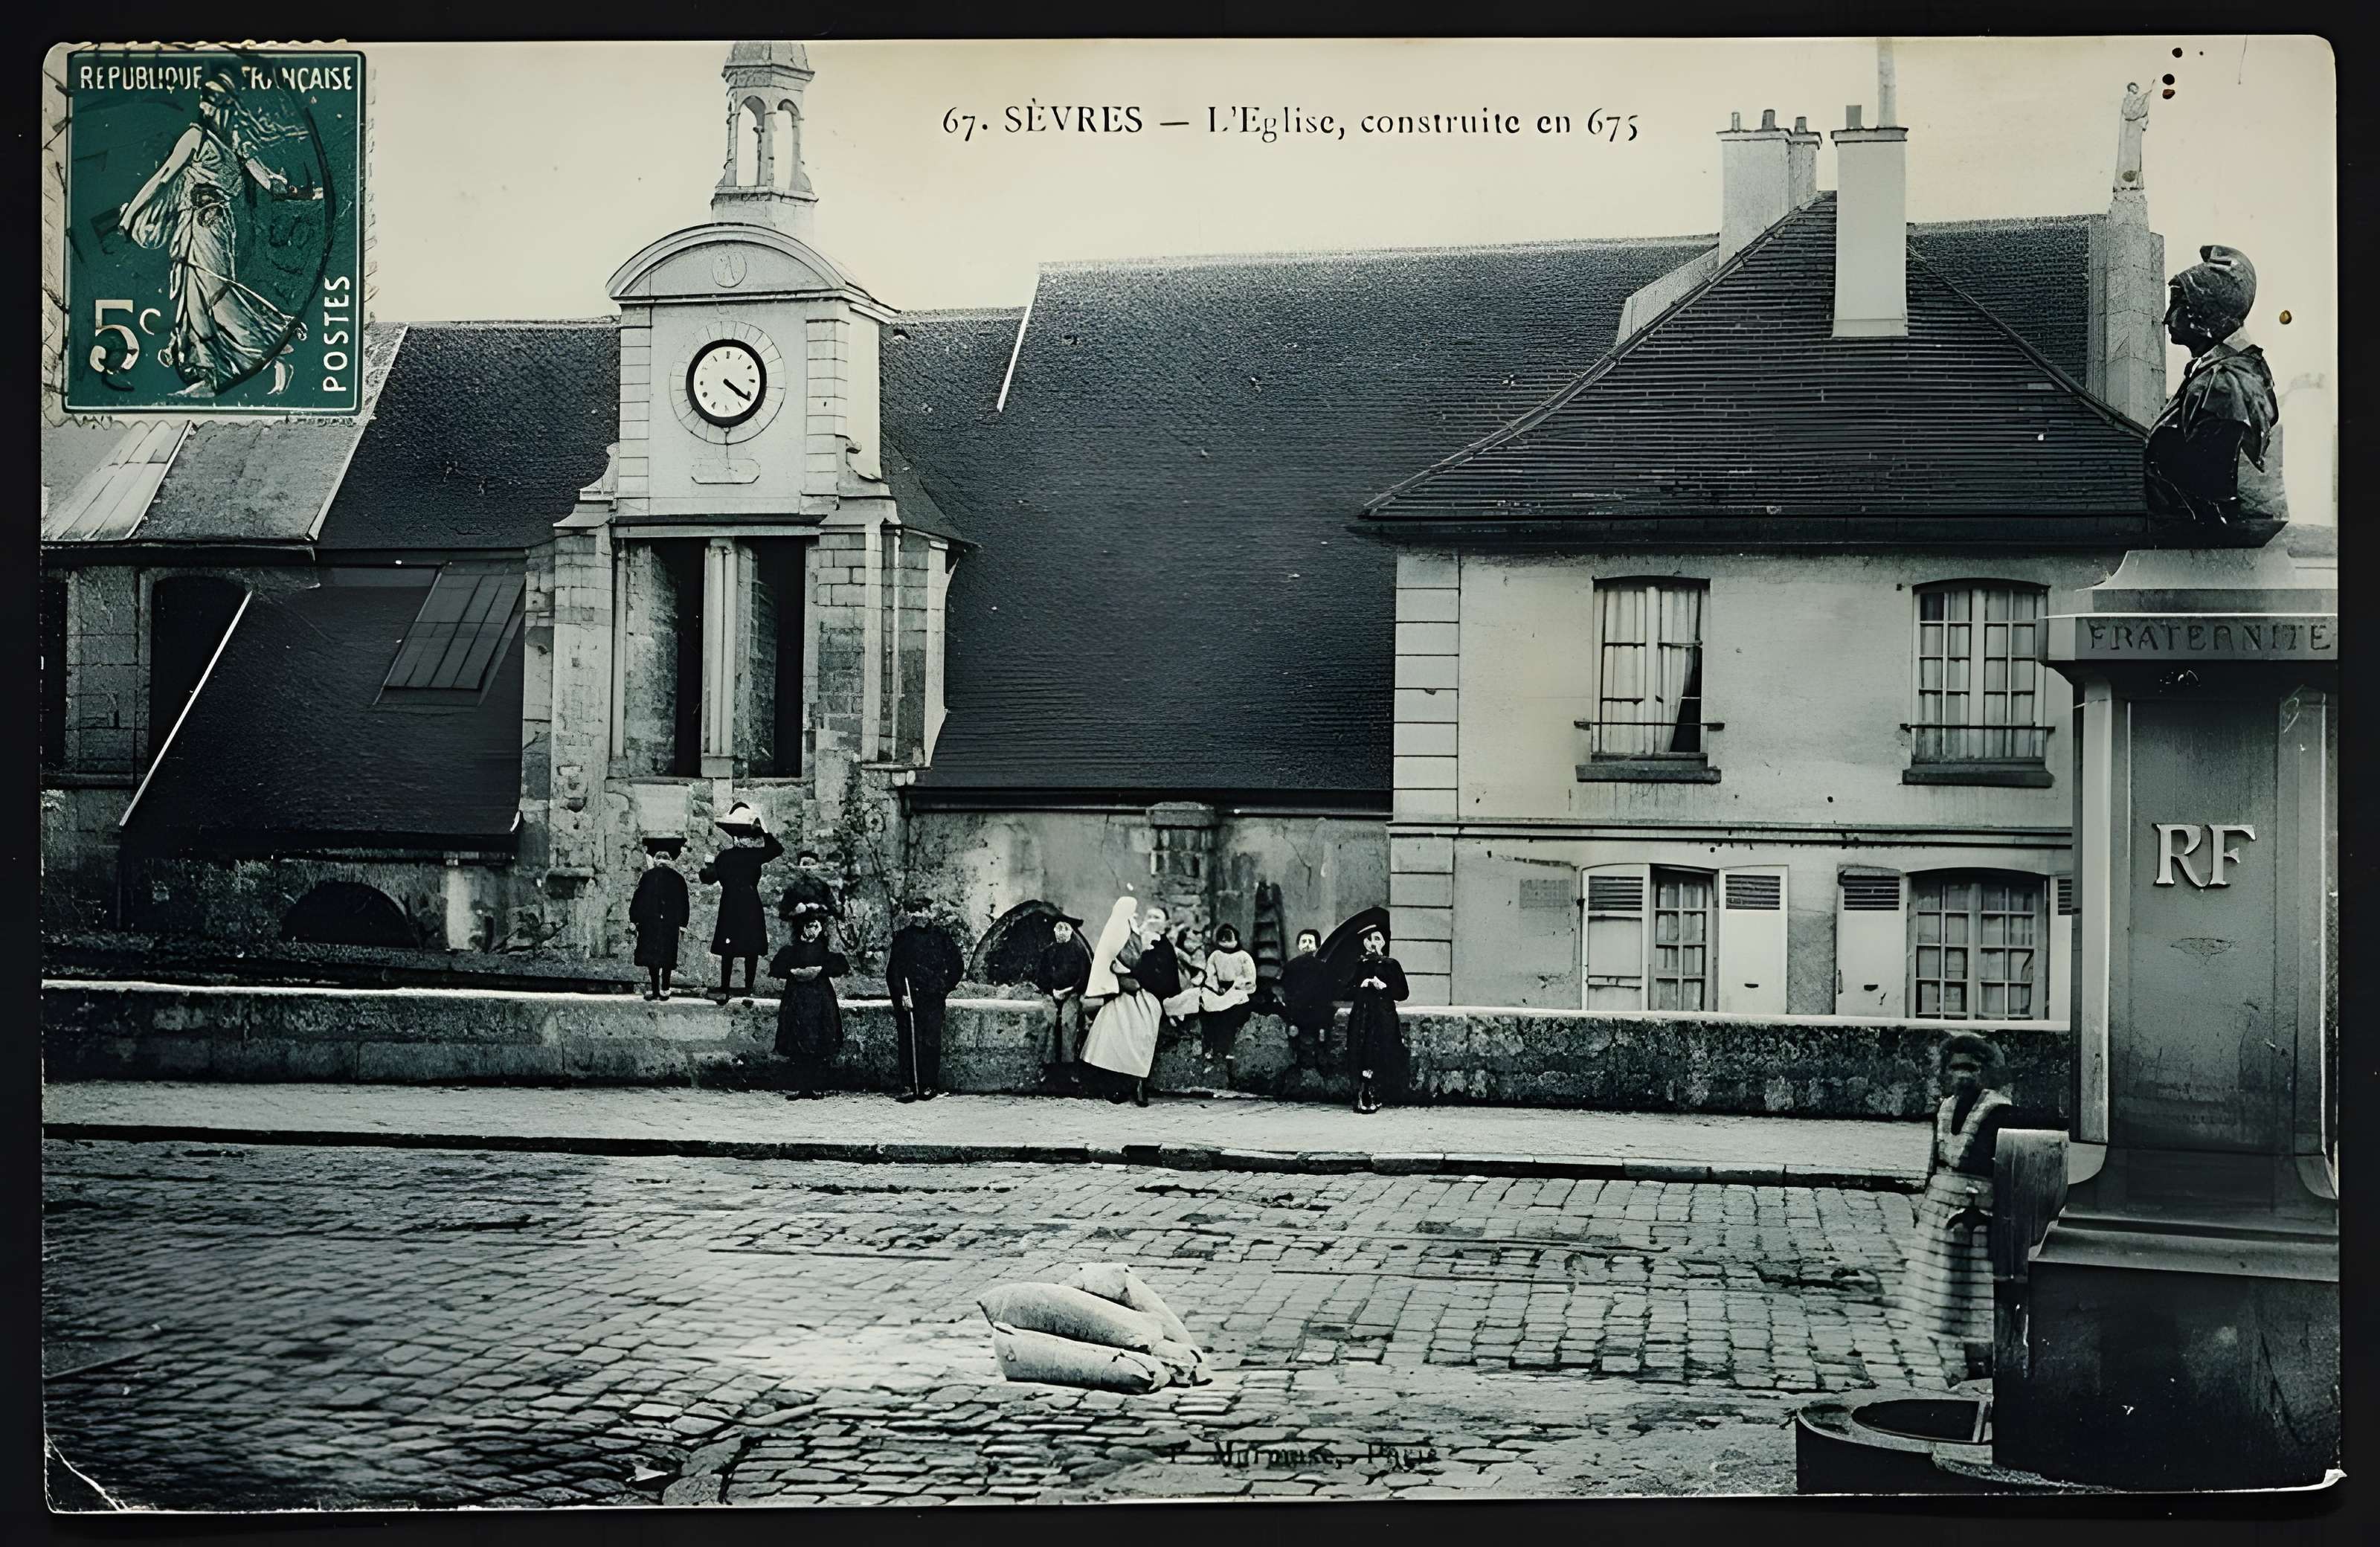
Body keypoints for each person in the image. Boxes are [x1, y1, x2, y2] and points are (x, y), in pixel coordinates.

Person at [115, 71, 315, 397]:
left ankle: (260, 354)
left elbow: (269, 183)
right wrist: (134, 212)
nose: (212, 108)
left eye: (219, 102)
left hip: (209, 225)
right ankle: (215, 370)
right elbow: (165, 177)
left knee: (212, 295)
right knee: (198, 296)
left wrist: (299, 192)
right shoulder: (202, 138)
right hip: (199, 223)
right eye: (209, 101)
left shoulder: (229, 144)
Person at [2144, 244, 2289, 528]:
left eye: (2178, 306)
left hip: (2204, 538)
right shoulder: (2212, 375)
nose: (2167, 317)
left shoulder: (2225, 384)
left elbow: (2208, 481)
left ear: (2205, 313)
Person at [1904, 1032, 2016, 1381]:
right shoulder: (1945, 1108)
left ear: (1984, 1071)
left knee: (1976, 1293)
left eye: (1971, 1067)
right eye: (1956, 1068)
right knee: (1944, 1292)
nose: (1963, 1075)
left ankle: (1984, 1365)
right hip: (1941, 1211)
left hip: (1977, 1213)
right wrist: (1925, 1202)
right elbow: (1934, 1161)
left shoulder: (1998, 1112)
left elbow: (2004, 1170)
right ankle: (1958, 1366)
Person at [1082, 903, 1165, 1107]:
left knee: (1143, 1028)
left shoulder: (1143, 936)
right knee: (1110, 1029)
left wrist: (1141, 979)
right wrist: (1119, 980)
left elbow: (1155, 970)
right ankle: (1114, 1085)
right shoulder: (1115, 935)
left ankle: (1139, 1083)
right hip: (1119, 993)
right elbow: (1107, 966)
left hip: (1144, 993)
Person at [699, 803, 782, 1006]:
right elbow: (709, 878)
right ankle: (734, 988)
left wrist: (762, 829)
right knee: (739, 948)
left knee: (741, 948)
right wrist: (764, 831)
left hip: (735, 903)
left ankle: (740, 988)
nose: (744, 841)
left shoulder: (734, 856)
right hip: (745, 903)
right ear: (737, 838)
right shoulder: (739, 856)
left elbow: (708, 878)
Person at [886, 897, 964, 1102]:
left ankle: (929, 1085)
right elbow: (894, 971)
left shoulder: (941, 937)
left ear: (930, 913)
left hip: (933, 998)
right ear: (911, 915)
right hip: (909, 997)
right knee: (907, 1040)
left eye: (924, 911)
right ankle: (908, 1086)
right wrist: (901, 995)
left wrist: (943, 988)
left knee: (931, 1040)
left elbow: (957, 965)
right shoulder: (903, 938)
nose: (920, 915)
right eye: (915, 911)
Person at [767, 905, 846, 1100]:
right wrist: (793, 972)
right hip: (797, 999)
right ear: (802, 927)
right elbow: (776, 968)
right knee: (797, 1040)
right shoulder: (793, 950)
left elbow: (840, 965)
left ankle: (815, 1086)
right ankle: (799, 1086)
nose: (812, 930)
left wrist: (820, 970)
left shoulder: (823, 949)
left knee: (818, 1041)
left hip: (820, 1000)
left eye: (816, 927)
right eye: (809, 926)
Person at [1344, 924, 1409, 1115]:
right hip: (1363, 1015)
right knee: (1362, 1051)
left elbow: (1403, 993)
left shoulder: (1391, 964)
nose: (1373, 943)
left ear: (1384, 942)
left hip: (1383, 1015)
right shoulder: (1359, 965)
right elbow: (1345, 990)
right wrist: (1362, 984)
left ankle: (1376, 1092)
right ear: (1364, 943)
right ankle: (1363, 1093)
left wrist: (1385, 987)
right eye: (1369, 939)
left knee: (1383, 1050)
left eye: (1377, 939)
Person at [1032, 913, 1093, 1087]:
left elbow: (1084, 977)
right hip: (1052, 994)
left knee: (1068, 1022)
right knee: (1049, 1022)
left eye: (1065, 929)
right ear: (1054, 931)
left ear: (1071, 931)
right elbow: (1041, 977)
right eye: (1058, 928)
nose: (1061, 932)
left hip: (1072, 994)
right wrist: (1052, 991)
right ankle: (1047, 1066)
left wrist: (1069, 991)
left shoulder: (1079, 952)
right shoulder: (1049, 951)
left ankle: (1070, 1066)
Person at [628, 837, 690, 1001]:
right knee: (667, 955)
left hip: (651, 922)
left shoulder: (648, 877)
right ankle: (665, 989)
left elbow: (638, 899)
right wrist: (683, 924)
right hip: (669, 923)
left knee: (652, 957)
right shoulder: (678, 878)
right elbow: (684, 903)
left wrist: (634, 919)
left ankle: (656, 989)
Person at [1197, 923, 1258, 1080]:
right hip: (1219, 990)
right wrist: (1216, 987)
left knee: (1230, 1014)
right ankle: (1212, 1049)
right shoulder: (1215, 955)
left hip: (1238, 991)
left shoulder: (1244, 957)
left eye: (1229, 938)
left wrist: (1235, 986)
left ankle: (1227, 1050)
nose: (1226, 941)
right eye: (1223, 938)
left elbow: (1250, 979)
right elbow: (1210, 975)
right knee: (1210, 1009)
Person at [1279, 928, 1339, 1074]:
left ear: (1317, 945)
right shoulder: (1291, 967)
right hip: (1298, 1010)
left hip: (1317, 1011)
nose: (1307, 945)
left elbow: (1328, 992)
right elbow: (1287, 989)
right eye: (1304, 941)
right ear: (1299, 945)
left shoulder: (1323, 968)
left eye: (1310, 942)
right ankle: (1297, 1068)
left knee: (1321, 1038)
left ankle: (1320, 1066)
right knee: (1296, 1038)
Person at [776, 849, 846, 935]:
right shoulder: (792, 887)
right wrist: (795, 911)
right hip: (798, 929)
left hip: (821, 929)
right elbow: (783, 914)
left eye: (813, 864)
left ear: (817, 866)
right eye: (805, 864)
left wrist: (815, 907)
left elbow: (833, 910)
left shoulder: (823, 886)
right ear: (799, 866)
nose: (808, 868)